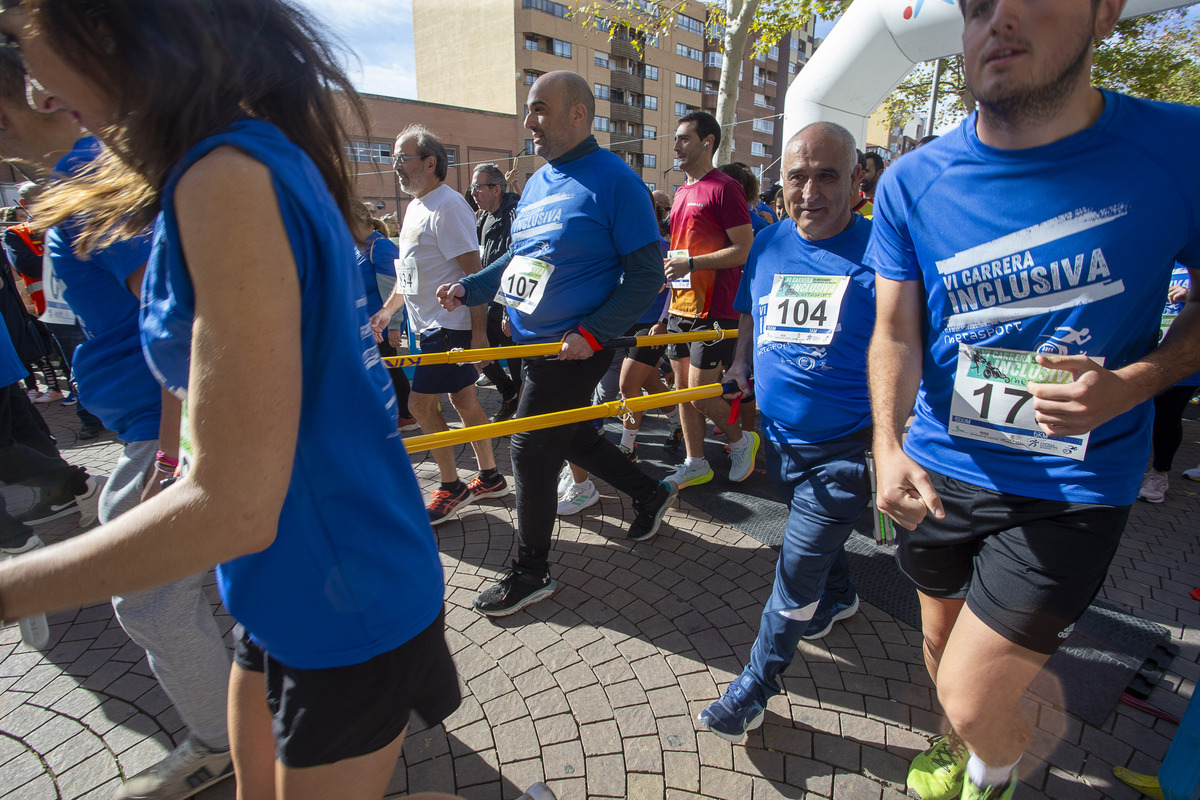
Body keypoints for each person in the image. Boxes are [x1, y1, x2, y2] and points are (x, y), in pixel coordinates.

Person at [0, 3, 469, 798]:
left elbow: (236, 505)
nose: (37, 88)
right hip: (286, 582)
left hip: (341, 593)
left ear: (109, 28)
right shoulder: (242, 156)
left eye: (22, 40)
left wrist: (12, 590)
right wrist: (183, 454)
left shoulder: (224, 178)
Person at [865, 1, 1200, 799]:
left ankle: (996, 768)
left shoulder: (1181, 147)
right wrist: (885, 443)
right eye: (977, 4)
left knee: (975, 694)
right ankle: (961, 744)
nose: (1000, 17)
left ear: (1104, 14)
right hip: (943, 469)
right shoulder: (914, 179)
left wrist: (1136, 383)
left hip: (1074, 484)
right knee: (940, 644)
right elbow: (895, 334)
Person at [438, 70, 675, 617]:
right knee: (568, 437)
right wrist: (474, 289)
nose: (529, 122)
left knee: (527, 446)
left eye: (540, 109)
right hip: (531, 343)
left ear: (579, 114)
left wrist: (591, 332)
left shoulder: (616, 180)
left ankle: (531, 570)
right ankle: (650, 492)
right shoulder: (542, 181)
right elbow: (520, 259)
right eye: (527, 110)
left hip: (575, 348)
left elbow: (644, 276)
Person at [699, 122, 873, 743]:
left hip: (845, 450)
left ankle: (754, 686)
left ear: (857, 181)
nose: (810, 191)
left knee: (794, 568)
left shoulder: (885, 253)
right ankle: (843, 593)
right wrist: (742, 362)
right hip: (779, 437)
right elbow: (751, 310)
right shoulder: (769, 242)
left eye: (828, 175)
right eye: (797, 176)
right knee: (815, 554)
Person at [370, 125, 507, 526]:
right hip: (427, 326)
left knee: (418, 405)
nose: (395, 166)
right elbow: (410, 274)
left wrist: (480, 333)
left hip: (451, 328)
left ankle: (452, 486)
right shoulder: (415, 207)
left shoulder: (449, 206)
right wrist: (387, 310)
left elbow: (474, 272)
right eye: (394, 157)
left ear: (430, 162)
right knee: (464, 401)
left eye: (402, 157)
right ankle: (491, 476)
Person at [663, 111, 758, 490]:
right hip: (679, 305)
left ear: (708, 142)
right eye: (676, 138)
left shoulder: (724, 187)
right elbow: (683, 250)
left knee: (699, 394)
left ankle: (741, 439)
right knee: (682, 391)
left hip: (715, 310)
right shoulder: (682, 190)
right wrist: (671, 276)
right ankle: (695, 461)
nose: (676, 147)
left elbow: (744, 249)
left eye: (684, 139)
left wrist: (692, 262)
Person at [1137, 264, 1200, 503]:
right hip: (1144, 354)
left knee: (1167, 416)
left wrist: (1188, 295)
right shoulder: (1165, 259)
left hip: (1181, 359)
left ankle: (1159, 474)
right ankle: (1129, 471)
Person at [471, 162, 523, 422]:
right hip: (489, 302)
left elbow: (518, 262)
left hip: (511, 304)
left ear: (496, 189)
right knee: (480, 352)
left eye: (478, 187)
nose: (473, 192)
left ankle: (525, 416)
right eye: (472, 187)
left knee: (517, 364)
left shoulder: (515, 212)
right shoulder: (483, 217)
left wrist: (507, 308)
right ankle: (509, 394)